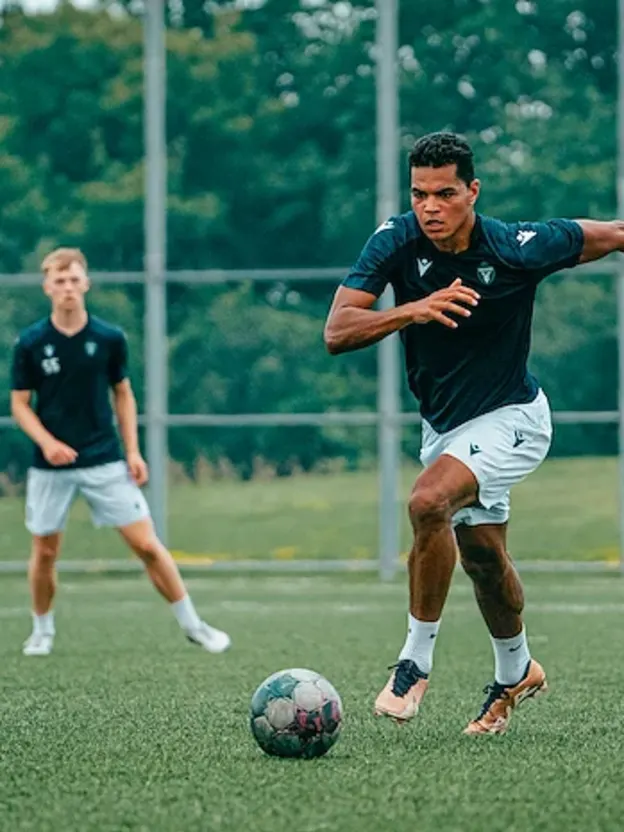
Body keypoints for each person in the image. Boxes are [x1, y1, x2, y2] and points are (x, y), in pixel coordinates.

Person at [324, 131, 621, 734]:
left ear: (472, 191)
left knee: (427, 501)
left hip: (514, 418)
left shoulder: (514, 246)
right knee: (484, 559)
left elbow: (614, 234)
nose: (430, 207)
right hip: (445, 429)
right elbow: (337, 330)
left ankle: (413, 664)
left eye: (445, 194)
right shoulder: (397, 239)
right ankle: (516, 671)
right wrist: (412, 309)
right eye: (419, 194)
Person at [11, 247, 231, 657]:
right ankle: (42, 631)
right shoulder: (31, 342)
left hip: (105, 459)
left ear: (86, 283)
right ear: (47, 287)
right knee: (45, 551)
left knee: (147, 545)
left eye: (74, 279)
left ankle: (194, 626)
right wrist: (48, 443)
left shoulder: (109, 338)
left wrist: (133, 452)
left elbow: (123, 395)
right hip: (50, 467)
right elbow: (20, 404)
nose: (68, 287)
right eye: (59, 281)